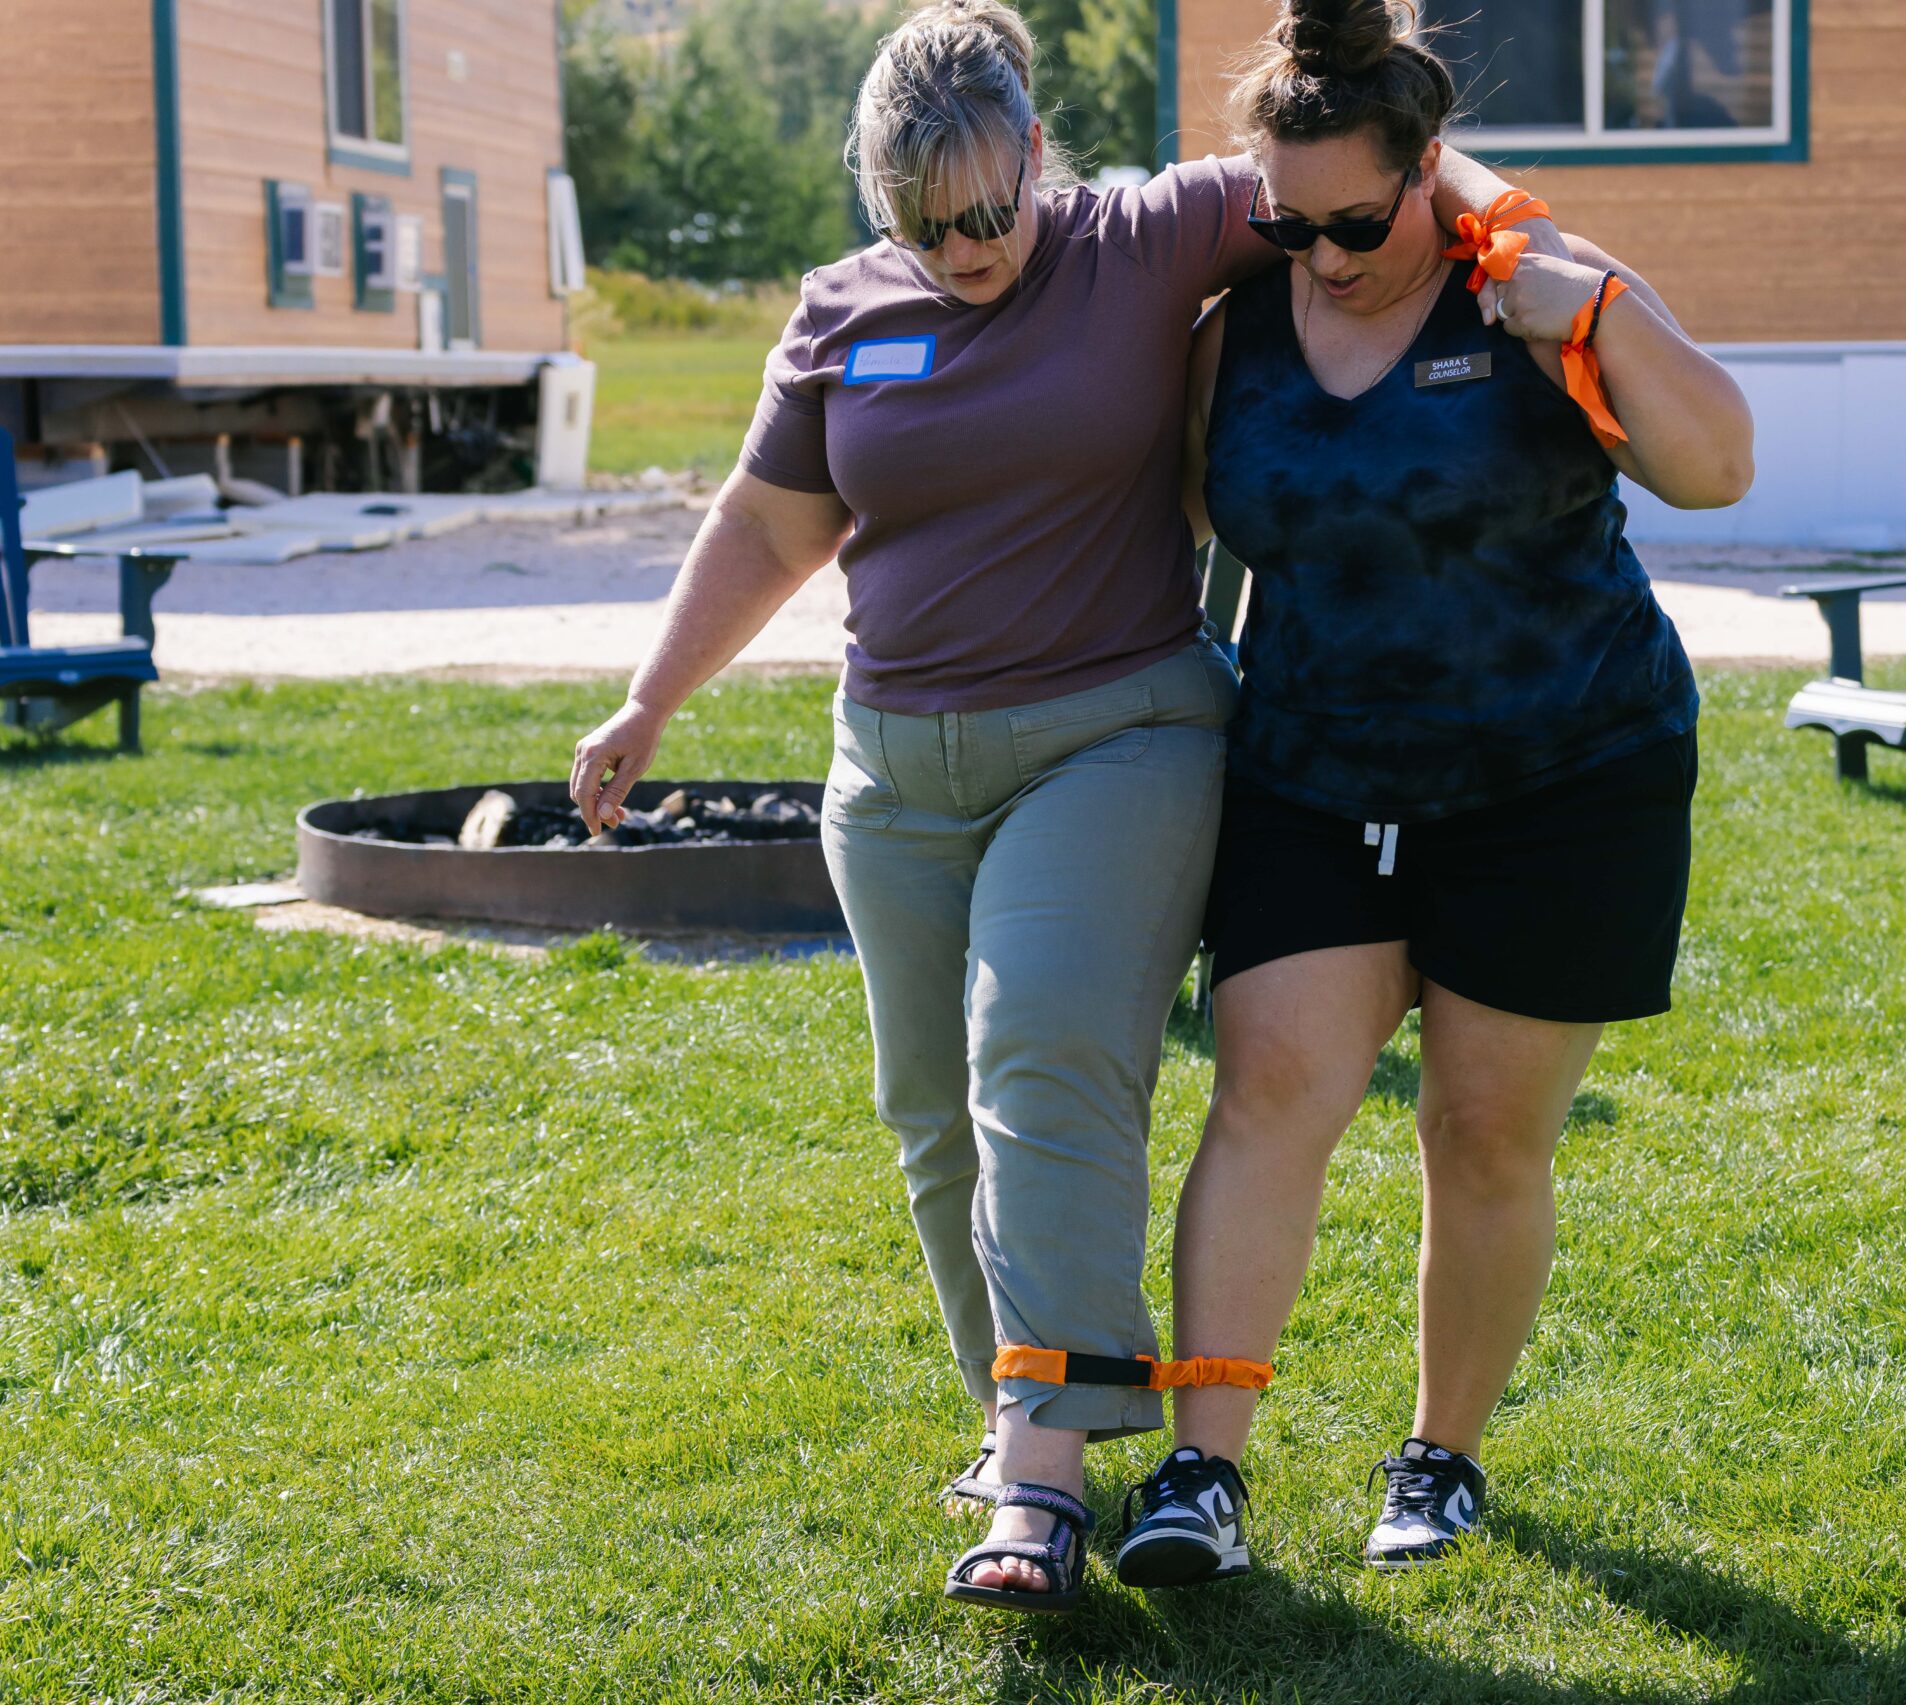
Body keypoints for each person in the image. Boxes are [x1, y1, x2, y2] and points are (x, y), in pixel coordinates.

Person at [564, 0, 1560, 1614]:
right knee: (932, 1116)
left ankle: (1039, 1478)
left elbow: (1374, 169)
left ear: (1037, 151)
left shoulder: (1147, 238)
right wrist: (649, 700)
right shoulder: (841, 313)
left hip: (1116, 734)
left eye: (987, 209)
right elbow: (767, 525)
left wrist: (1529, 244)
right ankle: (1020, 1415)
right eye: (923, 224)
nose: (964, 248)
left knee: (1041, 1058)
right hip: (895, 770)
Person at [1110, 0, 1754, 1587]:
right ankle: (1203, 1469)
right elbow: (1179, 527)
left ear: (1427, 172)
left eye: (1357, 222)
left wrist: (1596, 308)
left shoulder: (1532, 289)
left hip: (1563, 774)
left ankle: (1440, 1457)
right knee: (1268, 1092)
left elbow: (1718, 464)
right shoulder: (1239, 334)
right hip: (1316, 773)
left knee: (1480, 1132)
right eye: (1289, 224)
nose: (1324, 257)